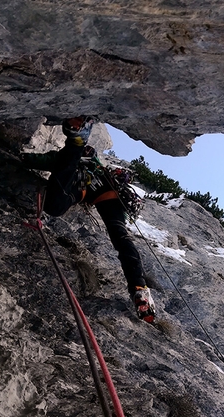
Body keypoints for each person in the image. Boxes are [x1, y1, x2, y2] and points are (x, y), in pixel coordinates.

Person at [21, 116, 155, 323]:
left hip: (84, 186)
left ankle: (75, 142)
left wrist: (21, 158)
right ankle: (139, 288)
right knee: (120, 236)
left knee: (56, 205)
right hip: (103, 193)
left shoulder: (71, 160)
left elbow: (41, 161)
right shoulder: (96, 166)